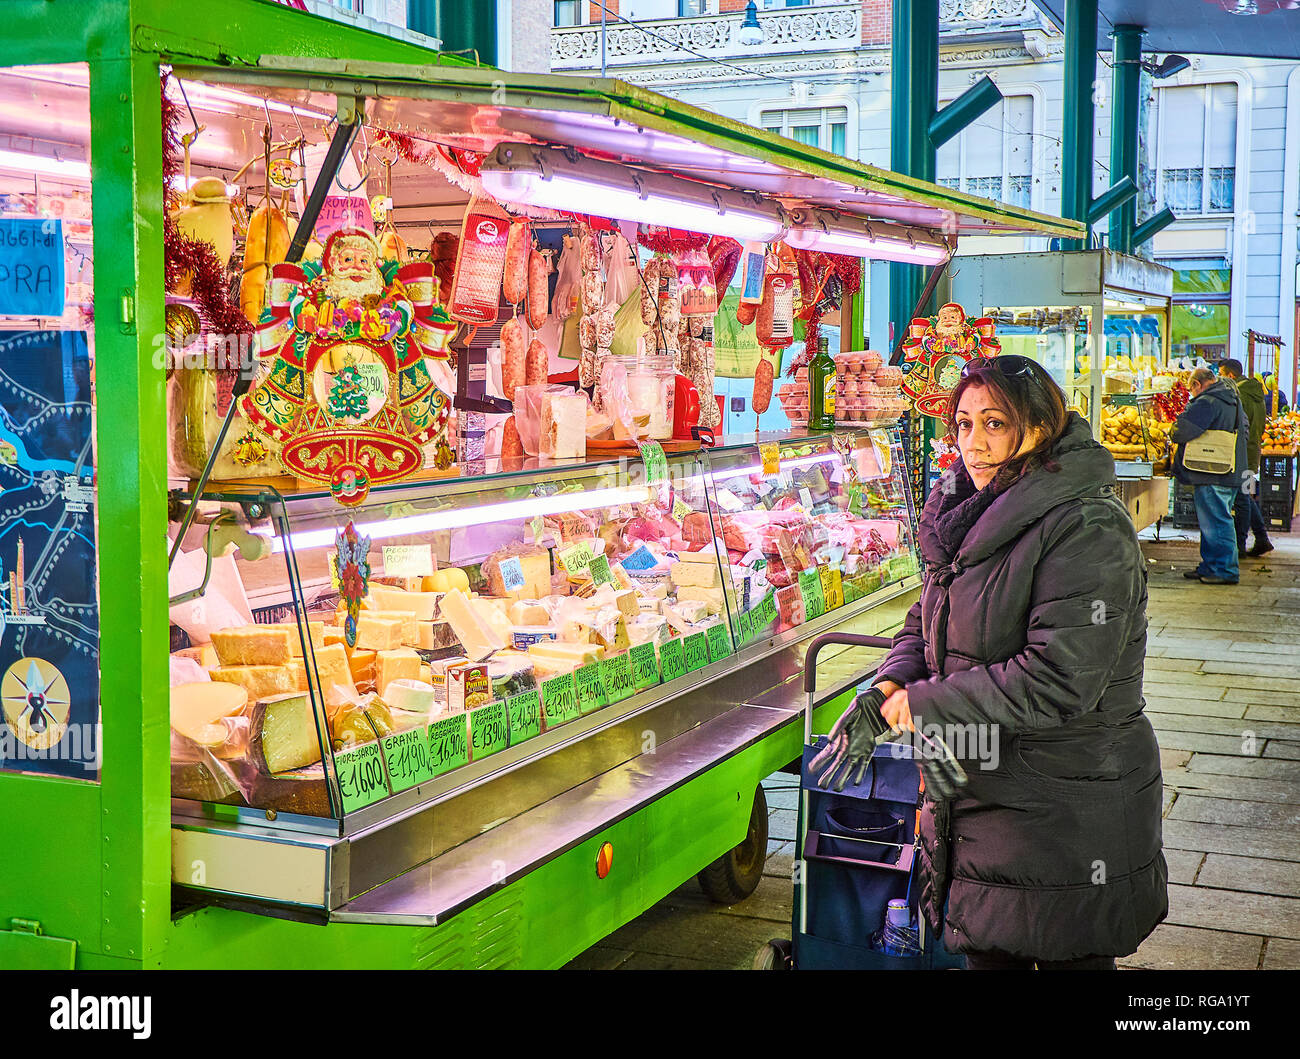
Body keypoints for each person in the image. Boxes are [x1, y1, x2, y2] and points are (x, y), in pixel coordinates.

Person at [816, 355, 1167, 970]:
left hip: (1065, 806)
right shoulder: (969, 511)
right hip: (980, 794)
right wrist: (894, 679)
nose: (973, 445)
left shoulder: (1087, 527)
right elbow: (929, 619)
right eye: (962, 424)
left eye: (994, 424)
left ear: (1039, 427)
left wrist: (923, 705)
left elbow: (1060, 676)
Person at [1170, 367, 1249, 584]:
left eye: (1191, 389)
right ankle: (1211, 565)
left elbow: (1182, 430)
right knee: (1213, 522)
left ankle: (1224, 570)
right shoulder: (1231, 397)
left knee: (1217, 522)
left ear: (1197, 384)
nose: (1191, 394)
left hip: (1212, 472)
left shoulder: (1208, 401)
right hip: (1228, 468)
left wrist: (1173, 428)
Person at [1216, 359, 1273, 557]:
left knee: (1242, 499)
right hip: (1252, 453)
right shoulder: (1256, 394)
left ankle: (1240, 545)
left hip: (1241, 455)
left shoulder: (1239, 395)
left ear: (1230, 375)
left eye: (1221, 373)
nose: (1219, 377)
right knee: (1246, 496)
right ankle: (1262, 538)